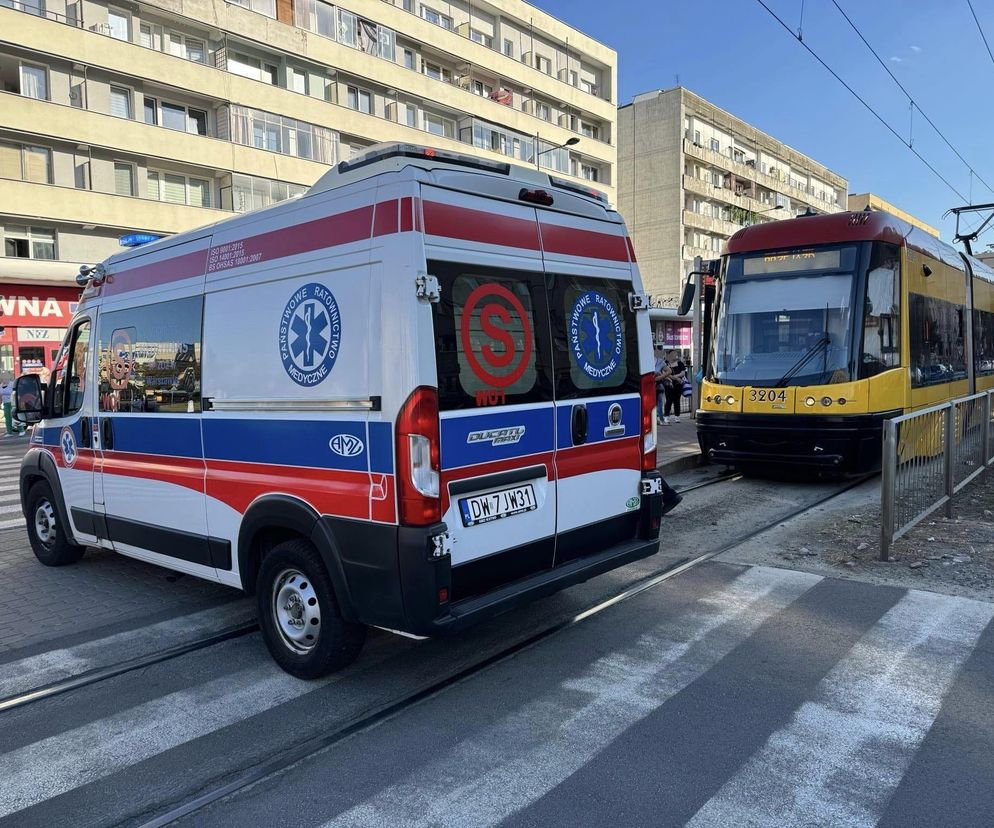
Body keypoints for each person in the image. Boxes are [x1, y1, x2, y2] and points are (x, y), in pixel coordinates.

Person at [662, 350, 687, 424]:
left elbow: (683, 373)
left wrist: (676, 376)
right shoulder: (665, 363)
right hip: (669, 384)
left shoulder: (680, 363)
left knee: (677, 400)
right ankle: (666, 416)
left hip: (678, 384)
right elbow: (664, 373)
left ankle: (677, 416)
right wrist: (674, 377)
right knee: (669, 400)